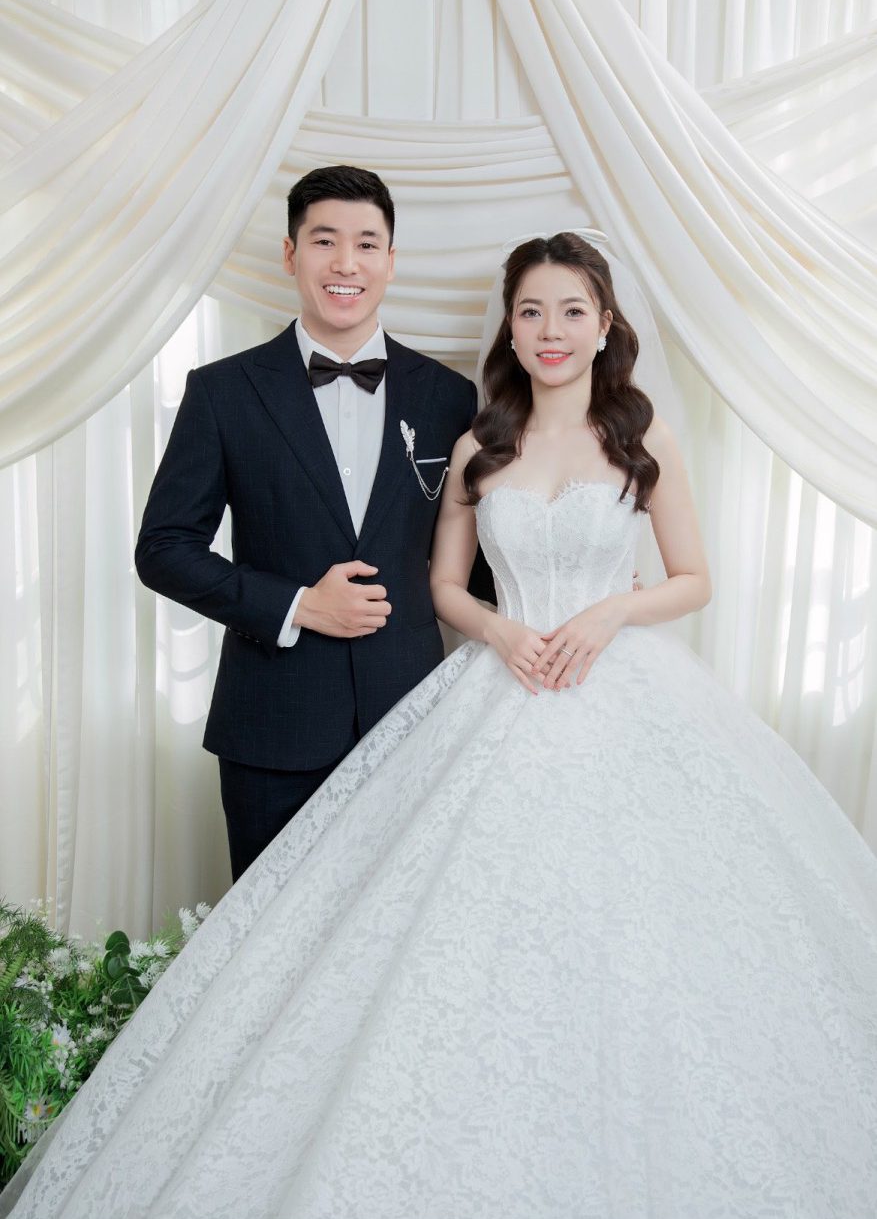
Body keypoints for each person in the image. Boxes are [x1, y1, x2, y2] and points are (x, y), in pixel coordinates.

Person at [6, 234, 877, 1218]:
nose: (550, 331)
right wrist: (500, 631)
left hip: (625, 687)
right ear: (509, 328)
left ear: (604, 325)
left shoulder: (645, 438)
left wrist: (610, 613)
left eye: (571, 311)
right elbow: (443, 584)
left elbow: (693, 578)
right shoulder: (478, 445)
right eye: (530, 312)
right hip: (500, 687)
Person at [135, 165, 485, 880]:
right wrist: (296, 605)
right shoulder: (222, 392)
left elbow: (473, 557)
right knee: (268, 935)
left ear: (391, 260)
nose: (346, 263)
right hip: (271, 725)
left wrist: (575, 592)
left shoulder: (451, 397)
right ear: (291, 254)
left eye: (366, 244)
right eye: (325, 241)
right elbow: (164, 548)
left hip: (414, 719)